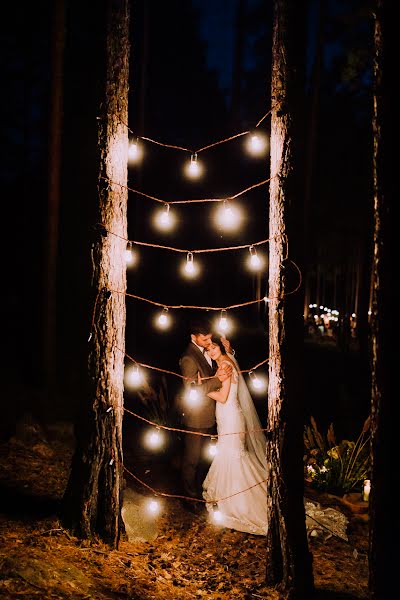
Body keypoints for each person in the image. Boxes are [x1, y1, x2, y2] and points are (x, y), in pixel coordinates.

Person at [201, 336, 269, 535]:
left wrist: (202, 389)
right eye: (208, 348)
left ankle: (240, 501)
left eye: (214, 347)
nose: (211, 351)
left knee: (234, 456)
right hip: (230, 416)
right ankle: (230, 494)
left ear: (220, 348)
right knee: (233, 455)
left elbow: (222, 397)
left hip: (230, 416)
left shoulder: (224, 364)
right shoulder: (228, 359)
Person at [177, 319, 233, 511]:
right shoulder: (188, 358)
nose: (209, 342)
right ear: (194, 337)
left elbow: (220, 363)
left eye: (210, 338)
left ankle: (200, 493)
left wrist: (229, 353)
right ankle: (189, 499)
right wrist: (217, 380)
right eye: (205, 339)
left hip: (210, 413)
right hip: (196, 416)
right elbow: (192, 390)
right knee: (191, 459)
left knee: (203, 458)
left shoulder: (205, 351)